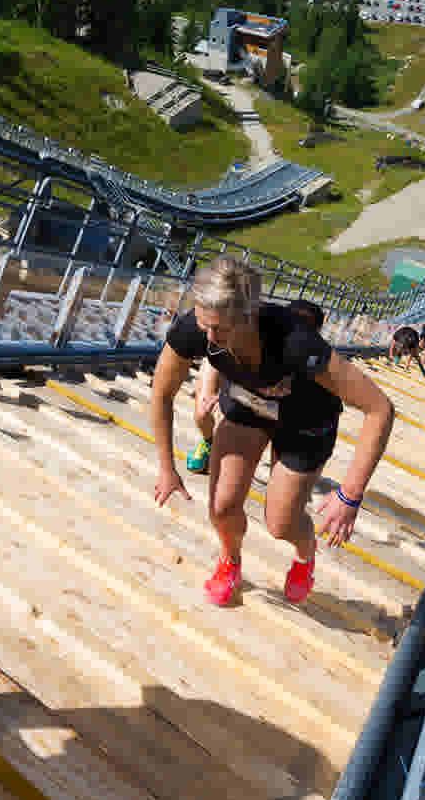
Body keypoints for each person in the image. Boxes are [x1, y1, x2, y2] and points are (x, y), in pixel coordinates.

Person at [148, 257, 396, 607]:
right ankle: (230, 561)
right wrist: (165, 466)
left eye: (220, 329)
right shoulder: (200, 328)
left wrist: (349, 494)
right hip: (249, 406)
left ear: (249, 316)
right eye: (205, 326)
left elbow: (380, 409)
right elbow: (161, 392)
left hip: (305, 420)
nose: (210, 338)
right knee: (220, 506)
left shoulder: (296, 341)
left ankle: (304, 554)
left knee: (281, 523)